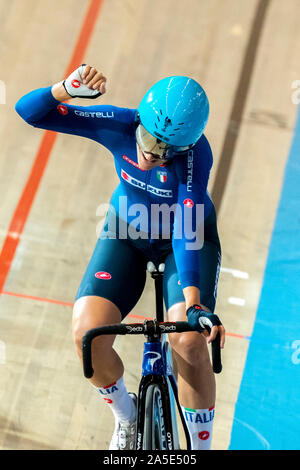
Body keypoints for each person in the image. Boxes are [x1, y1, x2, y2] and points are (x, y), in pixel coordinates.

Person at [15, 64, 226, 451]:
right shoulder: (118, 123)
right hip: (126, 234)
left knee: (190, 342)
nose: (151, 153)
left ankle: (200, 448)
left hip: (184, 239)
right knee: (86, 335)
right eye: (147, 139)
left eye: (166, 150)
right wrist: (64, 89)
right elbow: (29, 112)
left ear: (185, 146)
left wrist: (194, 302)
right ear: (139, 121)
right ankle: (126, 417)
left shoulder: (196, 157)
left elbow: (186, 229)